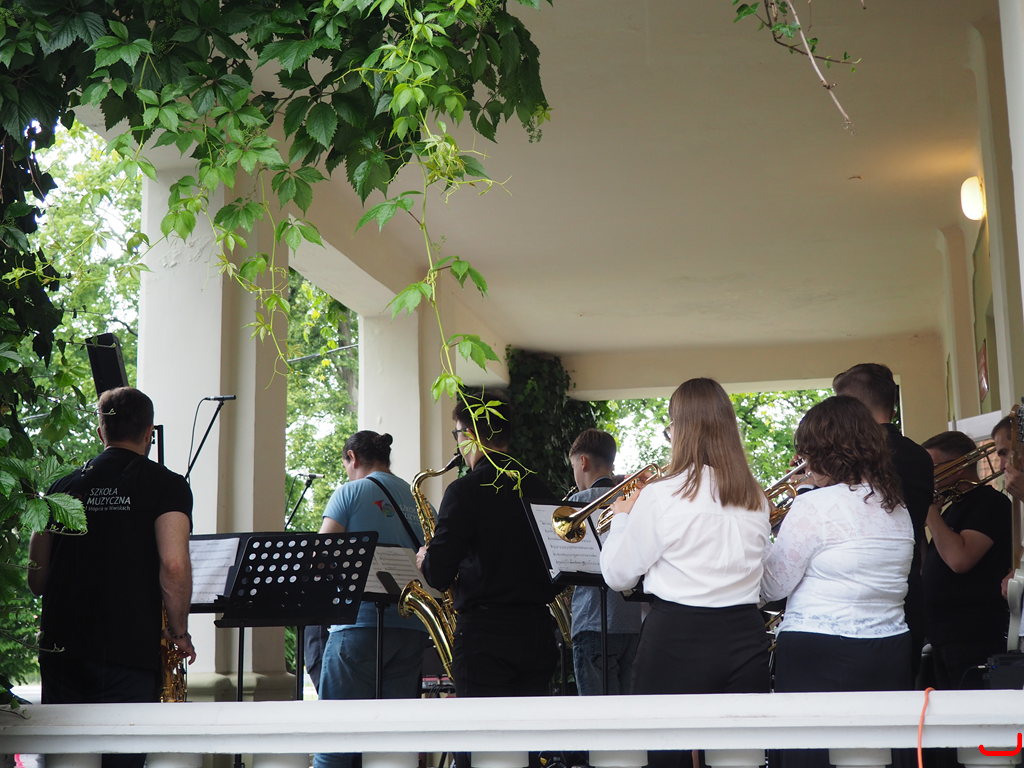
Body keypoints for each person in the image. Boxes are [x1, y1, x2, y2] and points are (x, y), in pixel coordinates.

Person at [601, 378, 771, 768]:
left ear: (681, 430)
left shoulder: (661, 496)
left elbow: (618, 576)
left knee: (666, 755)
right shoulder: (756, 497)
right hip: (745, 636)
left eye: (671, 427)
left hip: (677, 637)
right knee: (739, 759)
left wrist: (622, 518)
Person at [27, 387, 195, 768]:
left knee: (66, 761)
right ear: (149, 433)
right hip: (129, 652)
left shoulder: (60, 487)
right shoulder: (167, 486)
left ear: (101, 430)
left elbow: (36, 580)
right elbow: (173, 565)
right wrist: (179, 632)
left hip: (62, 652)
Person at [762, 395, 914, 768]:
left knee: (812, 756)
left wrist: (758, 532)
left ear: (823, 452)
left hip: (821, 652)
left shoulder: (814, 505)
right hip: (889, 650)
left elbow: (773, 586)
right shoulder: (897, 506)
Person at [418, 389, 560, 698]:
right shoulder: (539, 487)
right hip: (538, 632)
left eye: (457, 434)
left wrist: (426, 558)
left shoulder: (463, 491)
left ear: (469, 435)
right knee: (529, 727)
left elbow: (439, 574)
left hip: (485, 636)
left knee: (482, 728)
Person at [314, 431, 428, 768]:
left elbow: (320, 557)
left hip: (358, 626)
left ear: (352, 457)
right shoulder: (420, 499)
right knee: (391, 748)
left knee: (336, 742)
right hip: (412, 629)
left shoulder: (350, 492)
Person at [832, 362, 934, 679]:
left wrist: (813, 485)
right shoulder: (920, 456)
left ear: (853, 409)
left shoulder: (853, 458)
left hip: (857, 601)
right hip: (907, 592)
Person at [920, 430, 1011, 690]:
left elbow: (959, 560)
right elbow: (928, 568)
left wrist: (930, 512)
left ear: (958, 465)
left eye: (931, 467)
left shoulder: (990, 502)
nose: (926, 476)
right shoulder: (951, 508)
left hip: (973, 636)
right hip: (942, 636)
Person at [566, 429, 641, 696]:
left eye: (573, 467)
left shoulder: (576, 503)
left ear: (583, 462)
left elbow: (563, 562)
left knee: (597, 714)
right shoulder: (633, 501)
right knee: (628, 711)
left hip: (592, 622)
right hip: (631, 623)